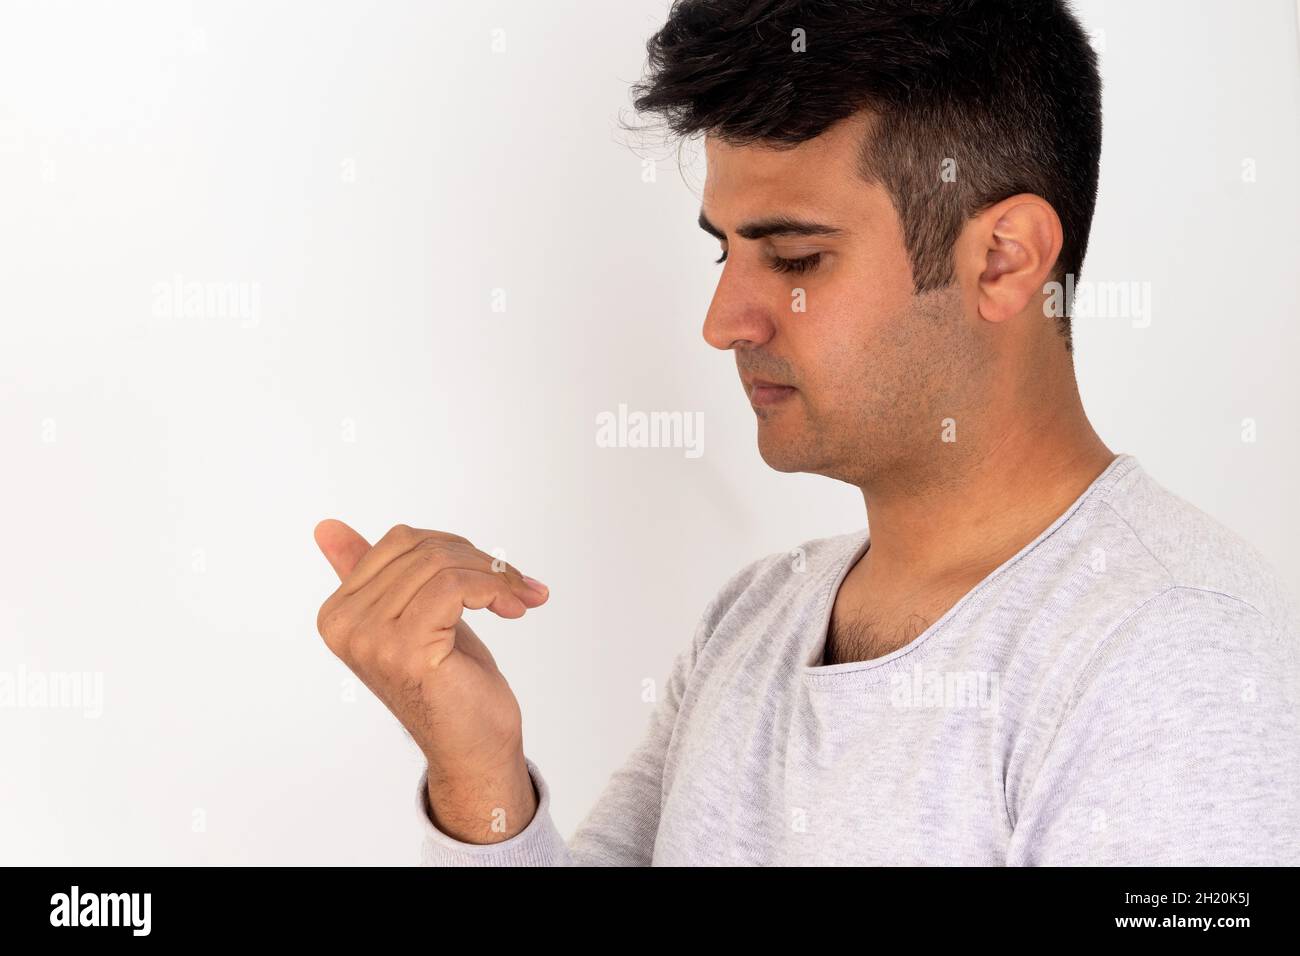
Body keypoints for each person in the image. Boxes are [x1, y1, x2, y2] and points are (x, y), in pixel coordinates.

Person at [312, 0, 1300, 865]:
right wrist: (476, 774)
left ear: (1002, 259)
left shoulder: (1170, 649)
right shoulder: (752, 619)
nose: (722, 321)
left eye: (794, 256)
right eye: (723, 253)